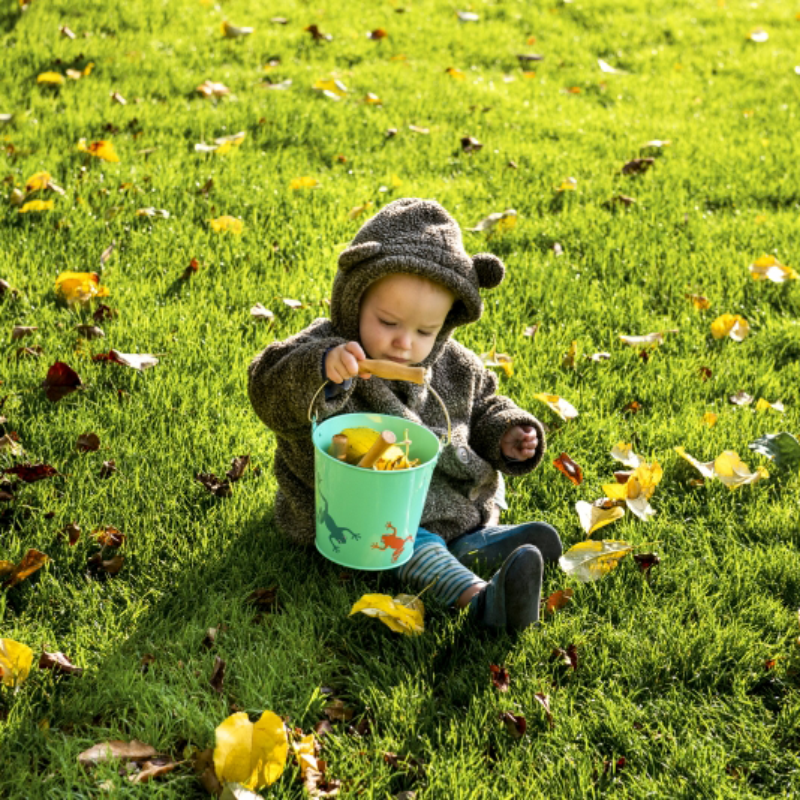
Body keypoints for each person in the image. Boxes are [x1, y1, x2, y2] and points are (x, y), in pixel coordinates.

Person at [248, 198, 562, 632]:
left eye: (424, 331)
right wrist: (320, 370)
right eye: (388, 322)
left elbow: (486, 402)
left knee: (459, 514)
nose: (404, 344)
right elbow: (266, 386)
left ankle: (479, 542)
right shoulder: (325, 348)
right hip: (356, 514)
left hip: (443, 498)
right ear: (354, 297)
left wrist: (505, 431)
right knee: (406, 539)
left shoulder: (455, 365)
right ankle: (479, 599)